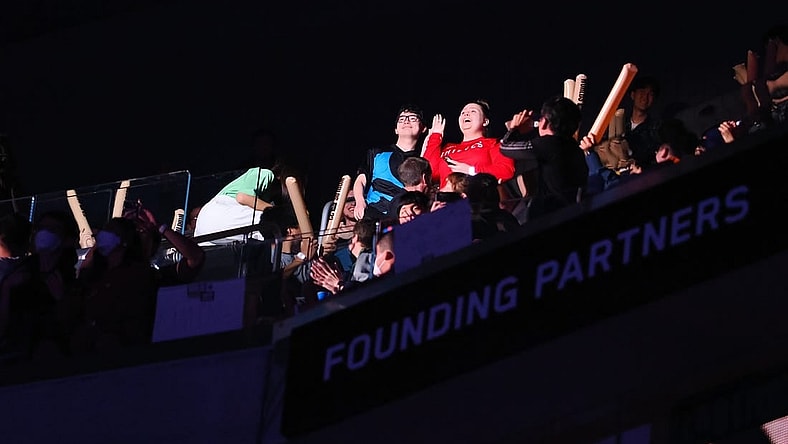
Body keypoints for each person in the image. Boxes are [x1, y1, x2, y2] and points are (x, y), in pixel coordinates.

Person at [499, 96, 589, 221]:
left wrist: (516, 129)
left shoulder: (549, 144)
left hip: (550, 217)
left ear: (545, 121)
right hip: (574, 213)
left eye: (540, 118)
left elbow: (505, 148)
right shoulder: (574, 147)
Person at [352, 104, 428, 222]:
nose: (406, 121)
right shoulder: (377, 153)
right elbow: (361, 179)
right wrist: (360, 202)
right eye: (402, 119)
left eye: (413, 118)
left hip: (404, 219)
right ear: (396, 130)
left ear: (423, 128)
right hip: (372, 214)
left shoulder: (423, 159)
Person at [193, 162, 295, 245]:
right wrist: (277, 211)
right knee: (276, 223)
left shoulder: (270, 197)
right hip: (217, 215)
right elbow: (242, 197)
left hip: (206, 233)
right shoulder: (265, 174)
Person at [422, 99, 515, 188]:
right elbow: (429, 174)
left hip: (475, 200)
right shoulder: (448, 148)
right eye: (463, 112)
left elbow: (506, 171)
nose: (466, 113)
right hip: (447, 201)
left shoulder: (493, 143)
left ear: (485, 121)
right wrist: (435, 136)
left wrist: (472, 170)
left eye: (473, 111)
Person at [624, 75, 664, 169]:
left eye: (650, 94)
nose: (645, 97)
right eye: (642, 92)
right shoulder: (619, 123)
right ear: (633, 95)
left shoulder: (657, 128)